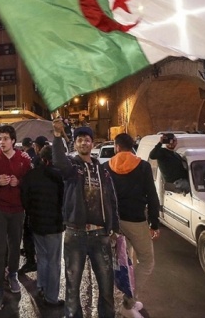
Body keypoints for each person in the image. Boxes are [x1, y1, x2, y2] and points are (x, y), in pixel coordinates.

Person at [51, 121, 120, 318]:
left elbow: (112, 200)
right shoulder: (72, 168)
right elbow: (58, 160)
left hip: (101, 234)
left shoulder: (103, 170)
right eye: (79, 140)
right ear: (75, 145)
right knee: (72, 286)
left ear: (92, 144)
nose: (83, 143)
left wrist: (114, 227)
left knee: (107, 285)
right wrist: (57, 136)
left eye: (87, 140)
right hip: (76, 234)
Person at [107, 133, 160, 309]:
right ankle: (130, 299)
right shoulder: (143, 166)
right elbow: (152, 196)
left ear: (117, 147)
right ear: (132, 147)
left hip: (115, 221)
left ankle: (118, 295)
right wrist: (154, 223)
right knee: (146, 261)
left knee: (122, 259)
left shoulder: (106, 166)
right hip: (136, 220)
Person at [0, 125, 31, 310]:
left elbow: (29, 183)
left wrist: (18, 182)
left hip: (18, 210)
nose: (1, 142)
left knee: (14, 245)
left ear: (13, 140)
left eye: (5, 138)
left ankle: (12, 274)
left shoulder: (23, 160)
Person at [20, 145, 64, 307]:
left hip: (36, 222)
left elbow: (24, 199)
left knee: (43, 257)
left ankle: (41, 287)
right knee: (54, 261)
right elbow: (64, 201)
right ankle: (52, 297)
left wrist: (32, 213)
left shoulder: (30, 175)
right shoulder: (59, 176)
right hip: (54, 224)